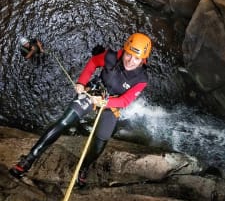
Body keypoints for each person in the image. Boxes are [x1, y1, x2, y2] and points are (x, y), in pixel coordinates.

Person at [9, 33, 152, 187]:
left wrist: (105, 102)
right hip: (94, 92)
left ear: (142, 59)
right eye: (129, 55)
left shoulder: (141, 79)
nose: (130, 61)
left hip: (111, 104)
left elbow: (125, 101)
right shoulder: (110, 56)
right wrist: (81, 83)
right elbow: (92, 63)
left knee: (99, 145)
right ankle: (29, 159)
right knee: (63, 122)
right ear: (125, 50)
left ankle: (83, 168)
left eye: (136, 59)